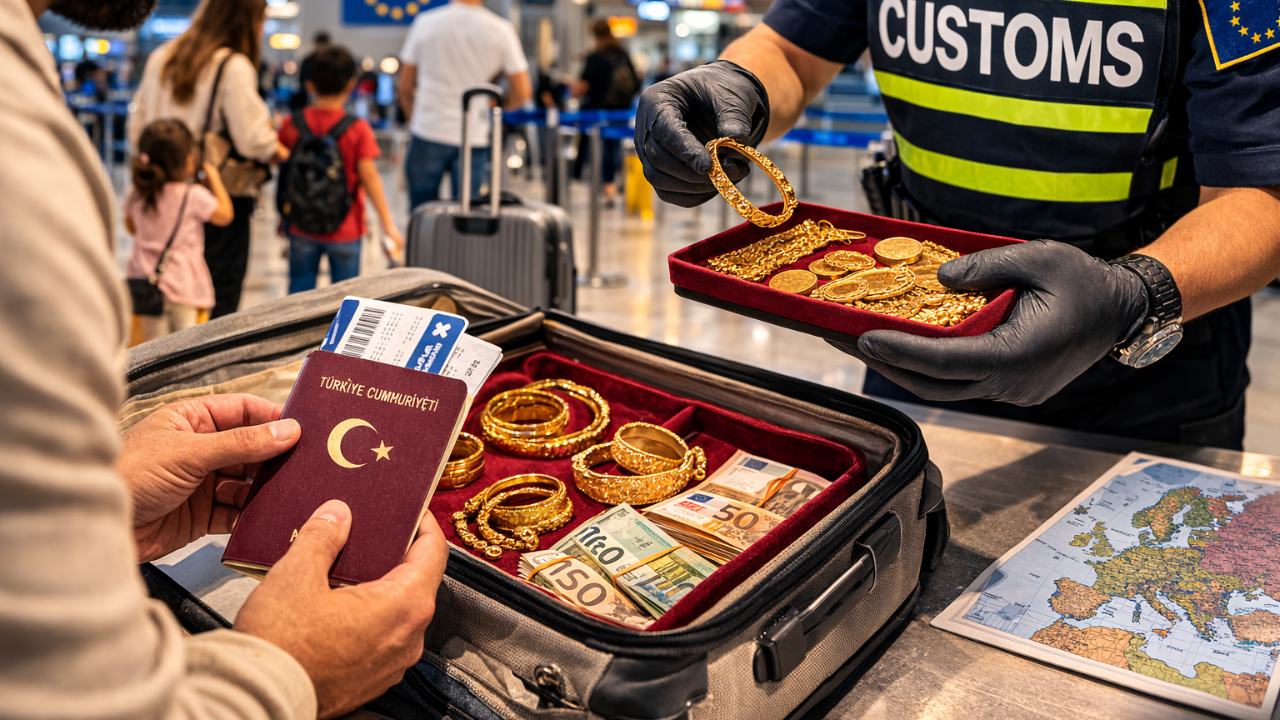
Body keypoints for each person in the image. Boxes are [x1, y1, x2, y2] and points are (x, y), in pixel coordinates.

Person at [2, 0, 449, 718]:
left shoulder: (145, 61)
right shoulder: (20, 156)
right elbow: (76, 698)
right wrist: (285, 674)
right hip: (217, 215)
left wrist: (100, 509)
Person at [636, 0, 1280, 449]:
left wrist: (1131, 297)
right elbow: (791, 49)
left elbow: (1262, 189)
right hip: (909, 315)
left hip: (1140, 364)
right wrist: (735, 82)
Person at [129, 0, 289, 319]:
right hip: (215, 193)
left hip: (159, 189)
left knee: (164, 282)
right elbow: (253, 138)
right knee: (217, 291)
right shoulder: (232, 65)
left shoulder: (162, 57)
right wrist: (279, 149)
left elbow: (137, 129)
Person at [278, 45, 404, 293]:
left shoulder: (292, 124)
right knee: (345, 297)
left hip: (301, 225)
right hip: (346, 228)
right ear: (351, 85)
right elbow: (369, 177)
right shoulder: (357, 129)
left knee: (298, 296)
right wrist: (387, 223)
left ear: (309, 85)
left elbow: (284, 170)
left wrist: (284, 216)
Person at [397, 0, 532, 209]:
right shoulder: (501, 29)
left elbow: (405, 86)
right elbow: (523, 91)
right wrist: (499, 109)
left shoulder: (426, 22)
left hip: (428, 127)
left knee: (421, 212)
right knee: (466, 215)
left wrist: (414, 118)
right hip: (473, 133)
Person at [125, 118, 231, 340]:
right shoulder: (193, 196)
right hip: (184, 285)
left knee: (152, 353)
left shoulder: (139, 192)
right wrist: (215, 180)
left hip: (146, 283)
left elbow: (131, 226)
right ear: (187, 161)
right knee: (183, 350)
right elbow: (225, 215)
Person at [573, 18, 639, 204]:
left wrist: (573, 90)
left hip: (600, 109)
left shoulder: (596, 56)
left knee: (600, 148)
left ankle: (606, 184)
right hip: (622, 108)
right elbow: (635, 82)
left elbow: (583, 85)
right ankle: (617, 183)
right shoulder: (622, 53)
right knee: (615, 146)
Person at [289, 30, 330, 112]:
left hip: (314, 94)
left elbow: (302, 79)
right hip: (314, 95)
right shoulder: (309, 60)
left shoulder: (309, 60)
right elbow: (302, 79)